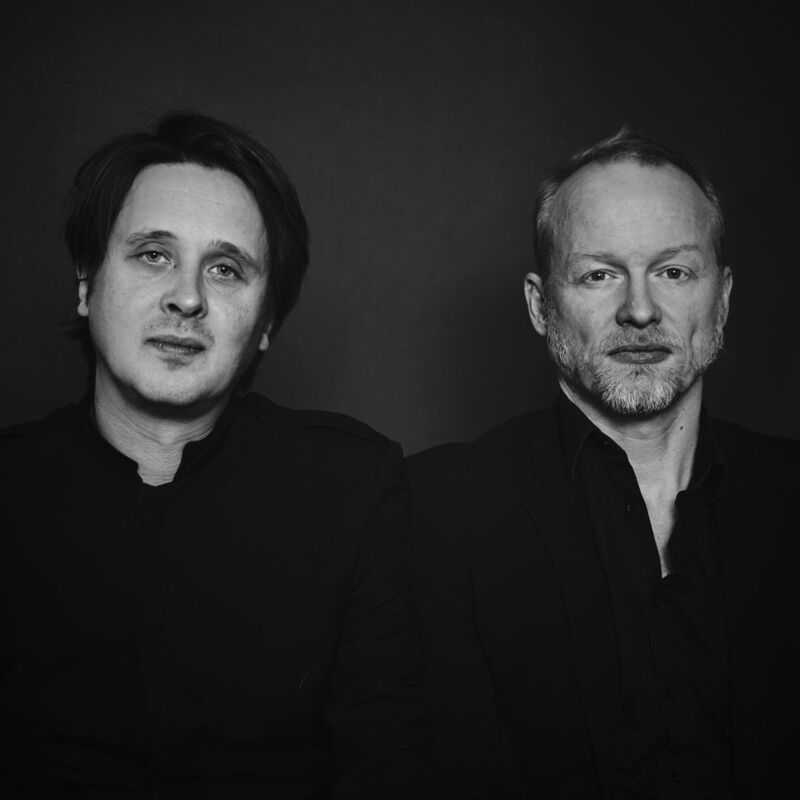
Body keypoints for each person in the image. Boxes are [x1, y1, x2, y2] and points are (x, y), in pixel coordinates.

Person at [0, 112, 428, 799]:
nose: (187, 298)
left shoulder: (353, 486)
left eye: (226, 270)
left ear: (267, 322)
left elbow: (384, 766)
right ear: (86, 282)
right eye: (153, 255)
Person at [410, 128, 799, 799]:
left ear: (723, 298)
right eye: (599, 274)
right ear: (541, 306)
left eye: (673, 272)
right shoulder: (438, 508)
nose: (640, 311)